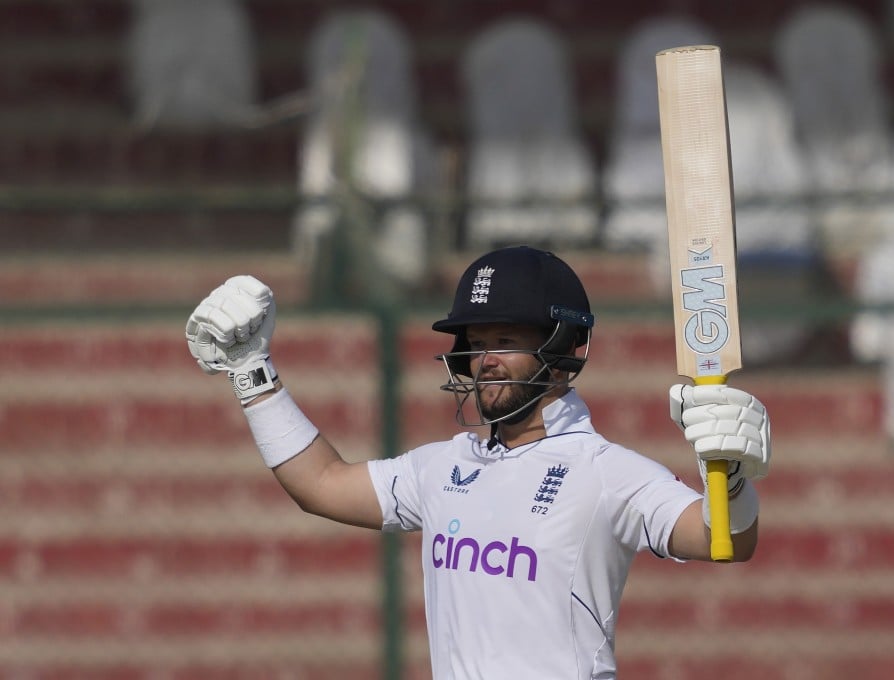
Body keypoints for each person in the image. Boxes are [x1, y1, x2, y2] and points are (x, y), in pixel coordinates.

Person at [185, 245, 771, 679]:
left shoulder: (606, 471)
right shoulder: (442, 467)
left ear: (569, 349)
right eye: (477, 343)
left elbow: (723, 538)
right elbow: (321, 484)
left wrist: (734, 478)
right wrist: (252, 375)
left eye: (506, 340)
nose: (486, 360)